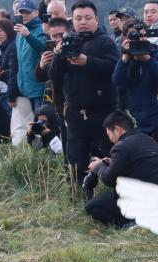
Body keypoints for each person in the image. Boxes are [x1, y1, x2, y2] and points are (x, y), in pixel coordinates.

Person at [49, 0, 119, 184]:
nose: (83, 22)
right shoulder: (68, 40)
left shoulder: (106, 42)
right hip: (75, 112)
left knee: (107, 155)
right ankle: (77, 196)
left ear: (96, 19)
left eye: (88, 18)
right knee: (75, 157)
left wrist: (87, 61)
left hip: (103, 111)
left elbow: (113, 68)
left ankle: (111, 195)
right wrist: (57, 54)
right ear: (73, 21)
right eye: (78, 18)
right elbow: (54, 75)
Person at [113, 17, 158, 178]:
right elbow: (118, 81)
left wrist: (147, 60)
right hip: (140, 124)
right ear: (125, 38)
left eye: (142, 35)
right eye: (133, 35)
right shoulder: (127, 60)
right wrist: (125, 59)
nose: (139, 39)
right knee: (144, 168)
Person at [84, 110, 158, 227]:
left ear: (118, 130)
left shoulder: (121, 146)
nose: (110, 139)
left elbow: (109, 179)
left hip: (139, 201)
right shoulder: (149, 140)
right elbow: (137, 168)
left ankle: (130, 223)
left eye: (109, 134)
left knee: (92, 207)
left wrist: (98, 167)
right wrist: (112, 164)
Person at [9, 0, 45, 145]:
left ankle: (50, 152)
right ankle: (38, 153)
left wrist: (28, 35)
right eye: (20, 12)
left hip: (39, 86)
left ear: (36, 12)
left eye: (27, 12)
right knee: (31, 125)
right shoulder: (19, 33)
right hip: (25, 87)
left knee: (42, 123)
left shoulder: (41, 28)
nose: (23, 15)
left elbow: (44, 48)